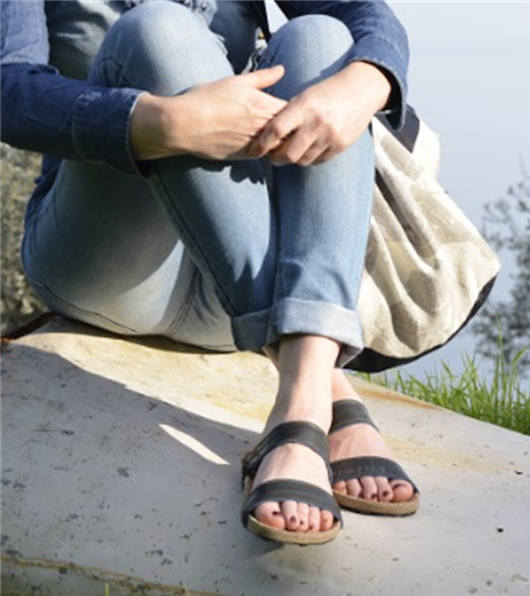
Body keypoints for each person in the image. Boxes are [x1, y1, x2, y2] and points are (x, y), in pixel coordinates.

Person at [0, 0, 420, 545]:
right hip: (105, 265)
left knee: (324, 40)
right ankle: (325, 394)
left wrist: (362, 86)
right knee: (158, 31)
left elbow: (365, 13)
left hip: (229, 288)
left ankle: (304, 399)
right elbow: (9, 87)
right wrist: (160, 123)